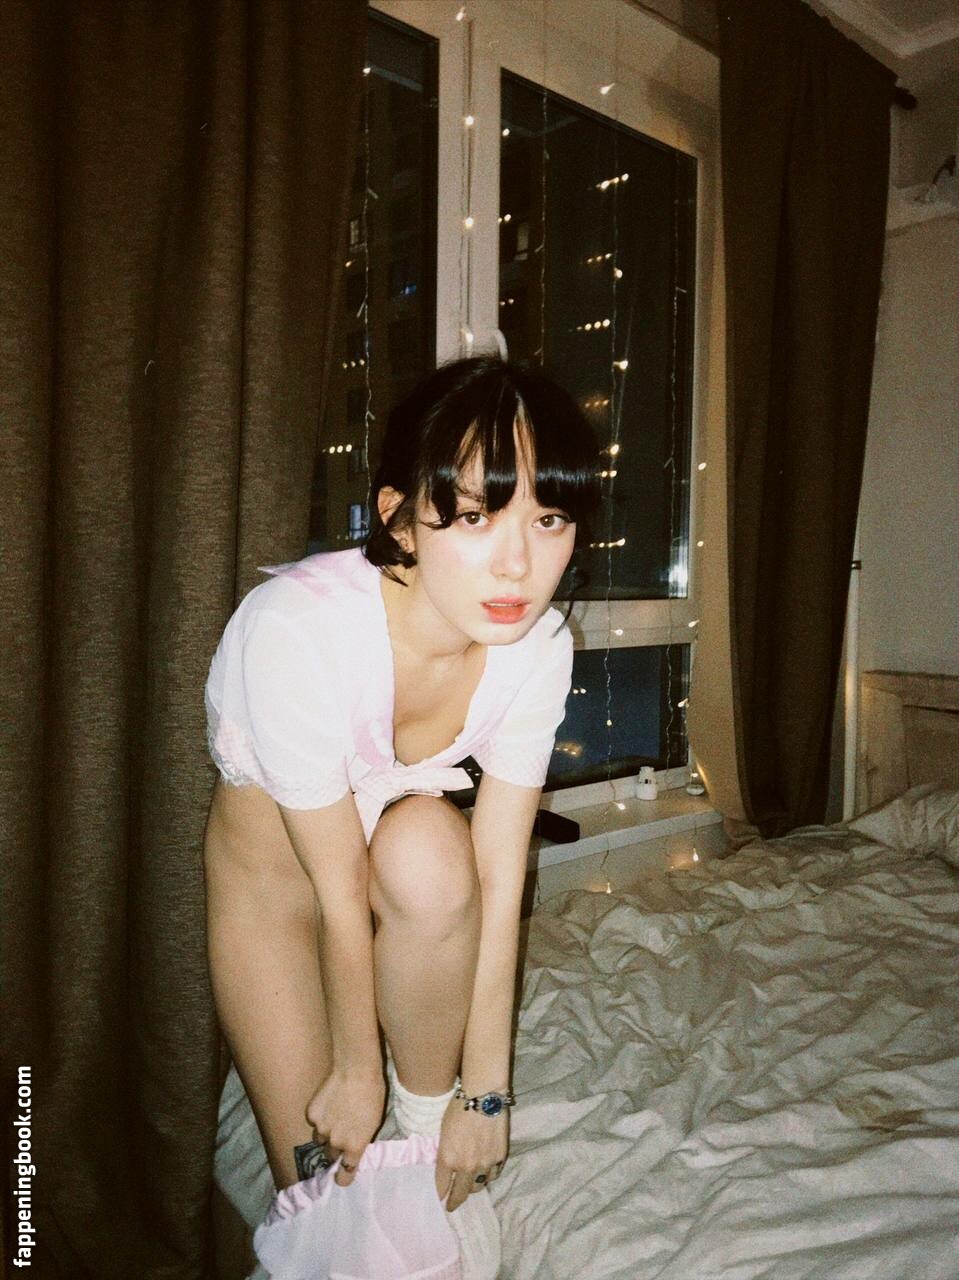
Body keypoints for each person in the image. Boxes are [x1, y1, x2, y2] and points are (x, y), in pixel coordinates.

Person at [202, 353, 600, 1269]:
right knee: (325, 1206)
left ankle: (421, 1126)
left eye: (548, 518)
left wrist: (481, 1095)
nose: (518, 563)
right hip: (277, 900)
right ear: (398, 519)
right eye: (475, 516)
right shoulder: (297, 630)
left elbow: (499, 873)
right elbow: (335, 888)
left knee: (431, 847)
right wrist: (355, 1070)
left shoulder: (538, 644)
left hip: (390, 866)